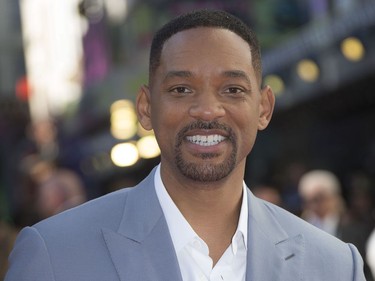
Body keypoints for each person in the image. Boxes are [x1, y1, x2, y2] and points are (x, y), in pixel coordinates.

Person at [5, 9, 365, 280]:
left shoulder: (334, 265)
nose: (208, 109)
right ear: (146, 108)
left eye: (233, 90)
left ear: (263, 108)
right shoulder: (55, 254)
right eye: (181, 89)